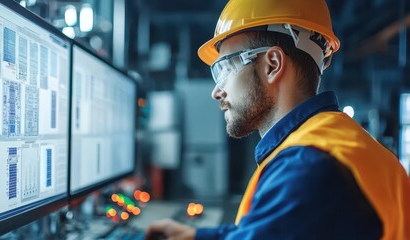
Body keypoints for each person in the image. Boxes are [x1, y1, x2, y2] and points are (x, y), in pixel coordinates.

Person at [145, 0, 410, 239]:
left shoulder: (307, 165)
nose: (217, 91)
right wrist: (197, 237)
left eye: (224, 68)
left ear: (272, 64)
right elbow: (274, 230)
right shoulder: (345, 145)